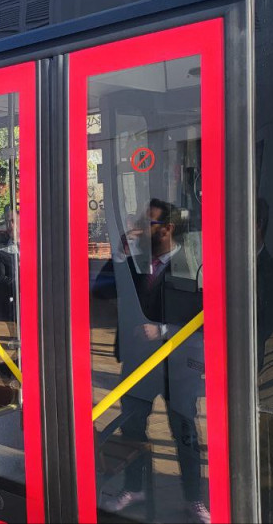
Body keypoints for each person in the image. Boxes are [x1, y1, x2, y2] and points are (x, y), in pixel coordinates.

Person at [95, 199, 208, 523]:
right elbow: (101, 292)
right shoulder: (136, 260)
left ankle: (193, 499)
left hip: (178, 366)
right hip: (137, 363)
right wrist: (118, 255)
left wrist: (162, 330)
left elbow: (205, 317)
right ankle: (134, 488)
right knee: (132, 428)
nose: (142, 230)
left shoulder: (193, 262)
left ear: (168, 228)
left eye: (149, 225)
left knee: (184, 433)